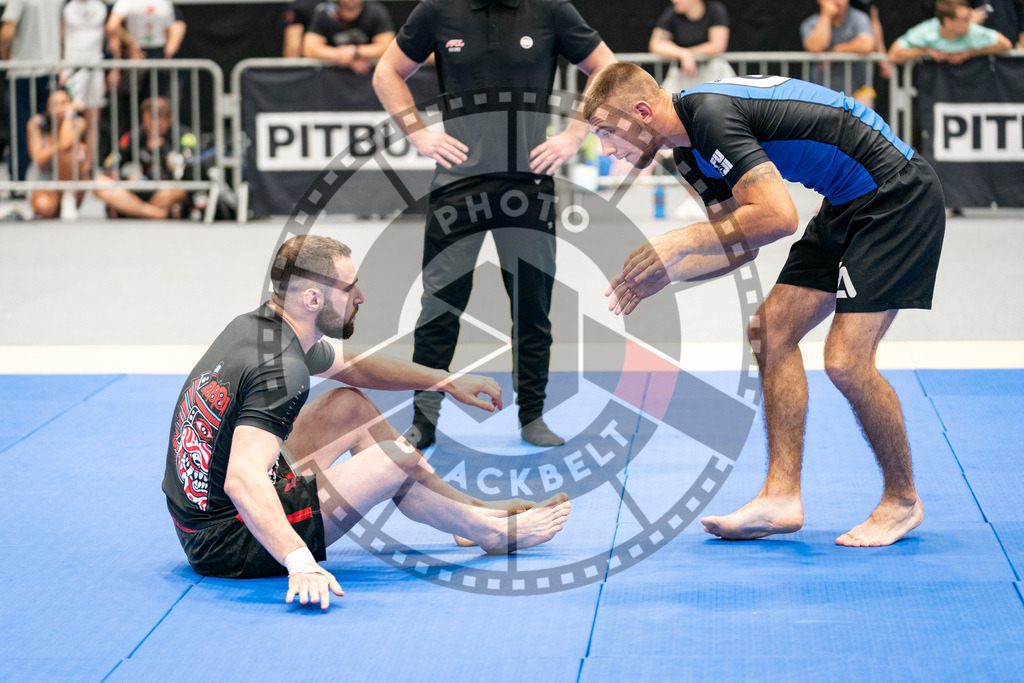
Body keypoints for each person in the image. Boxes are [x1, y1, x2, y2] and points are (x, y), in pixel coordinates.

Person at [582, 63, 945, 547]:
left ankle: (903, 501)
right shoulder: (688, 152)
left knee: (845, 361)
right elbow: (738, 244)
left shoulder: (709, 114)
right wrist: (668, 272)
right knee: (770, 333)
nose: (608, 151)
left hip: (897, 194)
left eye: (609, 135)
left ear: (643, 112)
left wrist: (675, 242)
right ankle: (781, 497)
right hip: (846, 201)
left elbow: (777, 216)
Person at [163, 234, 571, 609]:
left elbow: (355, 367)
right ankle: (492, 534)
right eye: (347, 288)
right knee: (396, 459)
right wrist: (299, 561)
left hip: (205, 516)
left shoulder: (259, 328)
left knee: (348, 406)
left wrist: (445, 382)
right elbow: (241, 478)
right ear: (311, 299)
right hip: (228, 541)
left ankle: (466, 517)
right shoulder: (283, 370)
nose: (361, 295)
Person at [372, 0, 616, 449]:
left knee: (532, 306)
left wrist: (572, 135)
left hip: (528, 183)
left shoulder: (551, 10)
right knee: (439, 306)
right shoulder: (438, 11)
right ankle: (424, 420)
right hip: (458, 184)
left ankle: (532, 415)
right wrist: (419, 134)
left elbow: (606, 68)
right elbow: (386, 72)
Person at [94, 96, 194, 219]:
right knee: (99, 183)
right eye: (151, 118)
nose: (155, 123)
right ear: (144, 117)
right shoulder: (134, 136)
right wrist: (127, 176)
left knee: (179, 190)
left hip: (165, 190)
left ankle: (130, 211)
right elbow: (110, 164)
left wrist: (163, 149)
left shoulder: (184, 137)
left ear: (170, 119)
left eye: (160, 118)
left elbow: (192, 170)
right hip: (139, 189)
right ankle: (158, 214)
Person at [0, 0, 63, 182]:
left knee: (20, 127)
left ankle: (19, 179)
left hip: (23, 72)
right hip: (51, 70)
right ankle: (50, 180)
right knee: (51, 127)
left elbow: (7, 32)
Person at [25, 89, 91, 219]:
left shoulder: (79, 123)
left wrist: (68, 116)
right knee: (43, 209)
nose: (60, 108)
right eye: (55, 105)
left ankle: (68, 196)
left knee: (67, 151)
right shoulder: (36, 124)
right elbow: (39, 158)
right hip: (45, 180)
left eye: (65, 103)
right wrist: (58, 145)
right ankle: (56, 203)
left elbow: (65, 143)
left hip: (74, 183)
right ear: (48, 108)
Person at [801, 0, 877, 108]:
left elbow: (867, 44)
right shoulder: (811, 22)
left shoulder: (859, 18)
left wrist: (837, 51)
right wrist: (826, 16)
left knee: (862, 108)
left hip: (857, 92)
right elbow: (815, 47)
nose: (837, 1)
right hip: (821, 95)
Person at [62, 0, 110, 166]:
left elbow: (107, 35)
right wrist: (61, 67)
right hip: (72, 68)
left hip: (95, 66)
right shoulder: (66, 6)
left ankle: (89, 165)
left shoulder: (101, 6)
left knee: (93, 122)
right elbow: (60, 34)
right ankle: (70, 164)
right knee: (69, 118)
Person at [648, 0, 734, 93]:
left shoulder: (715, 9)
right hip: (683, 74)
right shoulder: (672, 13)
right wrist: (683, 53)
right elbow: (655, 44)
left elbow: (718, 46)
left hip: (713, 72)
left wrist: (689, 53)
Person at [889, 0, 1012, 64]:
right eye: (964, 19)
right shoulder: (927, 31)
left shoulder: (971, 30)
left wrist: (969, 53)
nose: (970, 22)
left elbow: (1005, 44)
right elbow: (894, 54)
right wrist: (926, 52)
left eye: (969, 16)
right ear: (948, 22)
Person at [106, 0, 187, 94]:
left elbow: (174, 27)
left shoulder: (164, 3)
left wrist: (168, 52)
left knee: (152, 97)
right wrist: (131, 44)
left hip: (153, 51)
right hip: (138, 53)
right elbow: (112, 26)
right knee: (134, 95)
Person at [302, 0, 394, 73]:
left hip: (369, 77)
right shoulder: (325, 13)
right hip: (333, 78)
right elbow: (309, 49)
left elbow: (387, 47)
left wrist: (355, 52)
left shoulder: (376, 12)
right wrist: (339, 56)